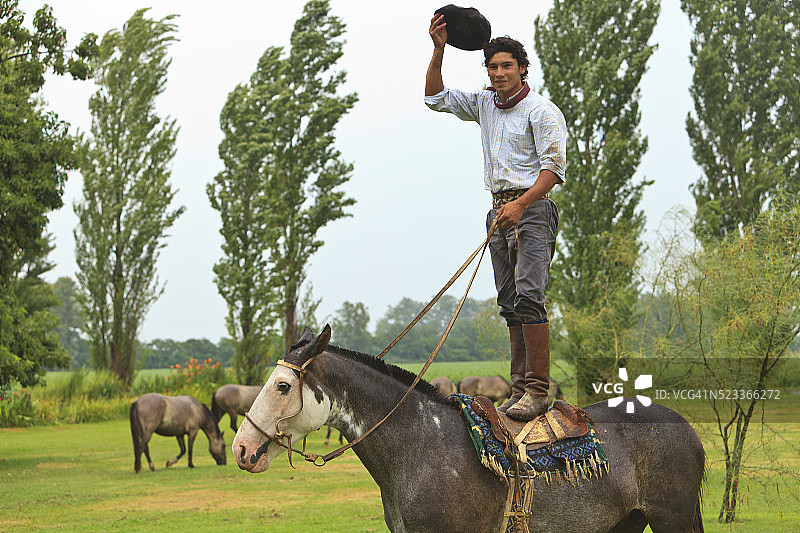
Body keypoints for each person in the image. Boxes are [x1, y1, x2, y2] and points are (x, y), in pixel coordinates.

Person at [424, 14, 567, 421]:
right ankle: (519, 388)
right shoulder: (485, 103)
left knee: (528, 293)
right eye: (493, 66)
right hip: (498, 210)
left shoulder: (541, 110)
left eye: (507, 65)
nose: (500, 72)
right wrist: (438, 50)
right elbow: (435, 98)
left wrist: (521, 206)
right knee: (508, 300)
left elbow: (554, 169)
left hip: (531, 209)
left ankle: (538, 390)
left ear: (522, 68)